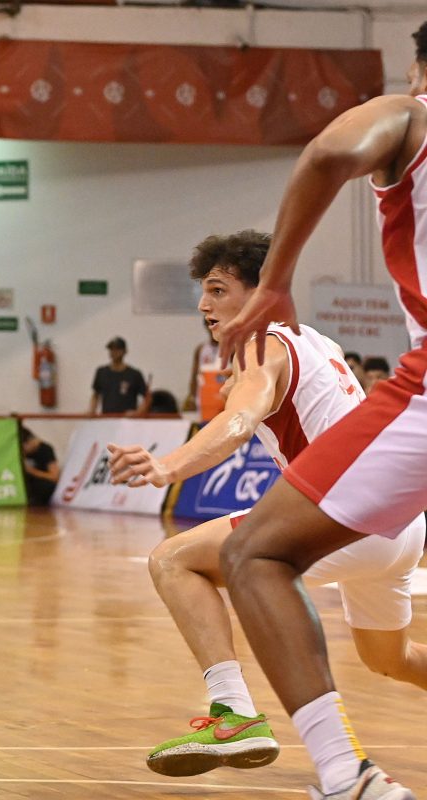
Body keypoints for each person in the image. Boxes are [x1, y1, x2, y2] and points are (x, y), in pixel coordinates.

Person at [107, 230, 426, 786]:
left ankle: (232, 713)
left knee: (173, 560)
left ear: (261, 293)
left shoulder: (261, 345)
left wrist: (167, 466)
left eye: (218, 289)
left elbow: (238, 422)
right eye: (203, 291)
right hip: (400, 529)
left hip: (345, 521)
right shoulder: (317, 341)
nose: (204, 305)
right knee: (389, 659)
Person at [210, 24, 427, 799]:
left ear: (418, 66)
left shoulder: (410, 114)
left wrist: (274, 280)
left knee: (253, 556)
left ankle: (345, 775)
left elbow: (329, 153)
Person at [89, 337, 150, 416]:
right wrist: (92, 410)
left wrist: (137, 412)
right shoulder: (101, 372)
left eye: (117, 349)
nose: (114, 352)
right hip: (106, 418)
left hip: (127, 421)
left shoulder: (134, 374)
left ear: (125, 351)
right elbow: (96, 394)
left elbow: (148, 398)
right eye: (111, 349)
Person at [183, 321, 227, 421]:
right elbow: (194, 375)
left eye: (215, 322)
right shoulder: (201, 349)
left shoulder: (231, 348)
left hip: (223, 396)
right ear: (206, 326)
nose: (213, 326)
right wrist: (192, 397)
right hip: (205, 396)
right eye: (210, 323)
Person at [19, 424, 59, 506]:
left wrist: (32, 471)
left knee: (46, 487)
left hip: (41, 484)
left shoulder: (45, 450)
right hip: (28, 484)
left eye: (22, 448)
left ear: (29, 441)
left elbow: (54, 477)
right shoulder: (22, 452)